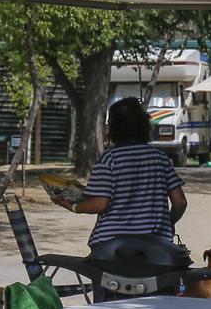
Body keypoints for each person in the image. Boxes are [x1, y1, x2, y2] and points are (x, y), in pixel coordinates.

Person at [51, 97, 188, 244]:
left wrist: (72, 206)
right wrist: (168, 225)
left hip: (112, 245)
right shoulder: (161, 159)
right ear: (145, 125)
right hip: (158, 246)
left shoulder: (109, 159)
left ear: (113, 128)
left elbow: (99, 204)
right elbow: (180, 202)